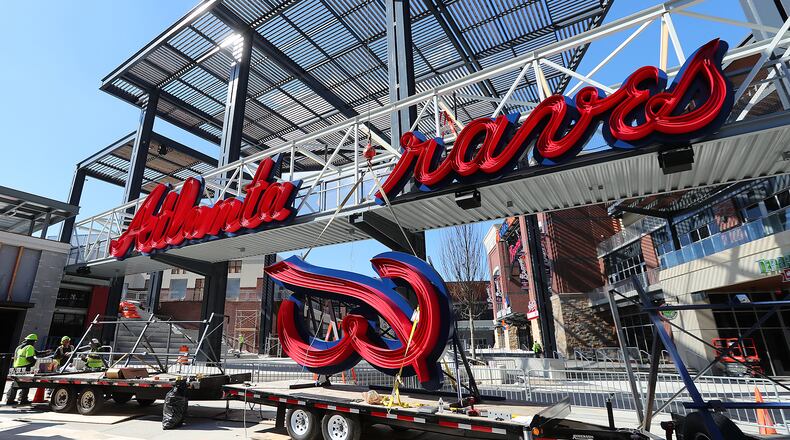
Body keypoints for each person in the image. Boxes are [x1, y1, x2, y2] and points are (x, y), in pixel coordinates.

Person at [6, 334, 48, 405]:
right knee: (26, 383)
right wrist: (35, 361)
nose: (34, 343)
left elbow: (36, 352)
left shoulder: (19, 347)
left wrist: (45, 352)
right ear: (33, 341)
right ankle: (23, 399)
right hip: (25, 367)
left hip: (16, 366)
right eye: (34, 342)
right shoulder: (29, 347)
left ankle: (10, 399)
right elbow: (29, 358)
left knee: (16, 383)